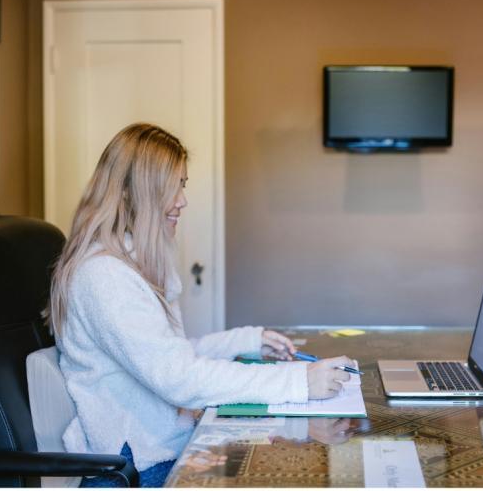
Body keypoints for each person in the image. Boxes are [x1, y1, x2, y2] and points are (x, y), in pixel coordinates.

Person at [46, 123, 354, 487]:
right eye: (172, 186)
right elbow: (179, 378)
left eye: (183, 184)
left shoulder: (129, 265)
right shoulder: (105, 277)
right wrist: (299, 381)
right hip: (135, 466)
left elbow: (171, 355)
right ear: (133, 191)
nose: (182, 200)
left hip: (159, 448)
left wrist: (248, 341)